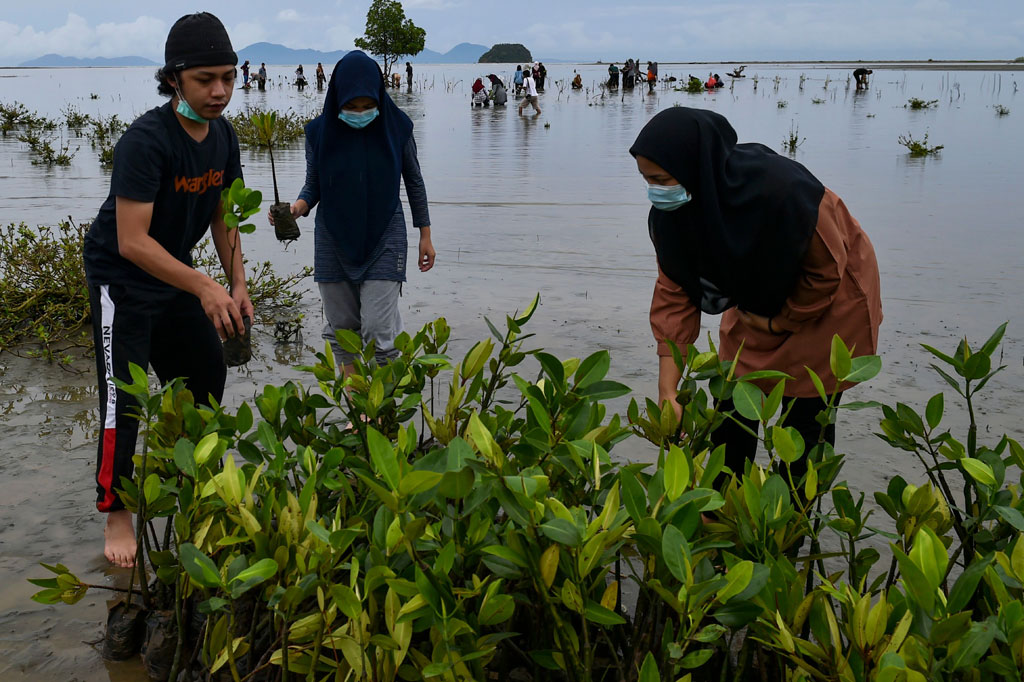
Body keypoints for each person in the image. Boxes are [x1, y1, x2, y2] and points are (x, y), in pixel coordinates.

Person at [630, 107, 881, 486]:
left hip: (830, 304)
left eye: (661, 179)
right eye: (646, 179)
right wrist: (668, 389)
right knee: (731, 414)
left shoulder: (787, 194)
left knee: (805, 426)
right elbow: (673, 294)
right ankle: (723, 517)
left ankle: (793, 528)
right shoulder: (676, 218)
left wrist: (777, 321)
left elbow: (825, 273)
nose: (656, 191)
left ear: (697, 167)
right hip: (754, 300)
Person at [82, 12, 249, 568]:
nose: (220, 91)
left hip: (173, 272)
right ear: (174, 77)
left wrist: (237, 285)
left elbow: (228, 217)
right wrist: (204, 285)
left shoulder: (223, 137)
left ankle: (192, 480)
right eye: (205, 80)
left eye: (228, 76)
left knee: (207, 369)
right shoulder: (146, 141)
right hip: (123, 279)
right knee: (122, 400)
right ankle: (117, 512)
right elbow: (131, 241)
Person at [270, 51, 435, 379]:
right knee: (343, 330)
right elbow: (313, 186)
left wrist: (425, 236)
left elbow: (414, 181)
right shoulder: (318, 133)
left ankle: (383, 410)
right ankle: (357, 411)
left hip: (386, 232)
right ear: (336, 100)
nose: (360, 114)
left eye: (367, 106)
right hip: (332, 237)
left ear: (379, 98)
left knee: (378, 332)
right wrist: (296, 209)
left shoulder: (398, 128)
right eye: (351, 107)